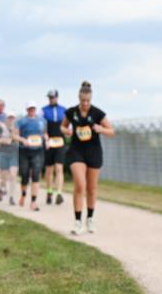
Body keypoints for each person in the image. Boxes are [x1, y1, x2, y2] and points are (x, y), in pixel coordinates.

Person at [61, 81, 115, 234]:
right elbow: (62, 126)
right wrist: (67, 131)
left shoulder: (97, 113)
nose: (85, 103)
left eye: (88, 101)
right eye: (83, 101)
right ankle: (77, 222)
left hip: (93, 152)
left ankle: (90, 219)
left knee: (91, 188)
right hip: (76, 151)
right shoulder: (71, 112)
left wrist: (101, 129)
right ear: (79, 98)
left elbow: (112, 131)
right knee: (80, 185)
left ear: (91, 99)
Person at [15, 101, 47, 211]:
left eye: (33, 108)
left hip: (38, 151)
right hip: (24, 151)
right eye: (30, 108)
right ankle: (23, 195)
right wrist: (23, 140)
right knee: (24, 174)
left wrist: (46, 140)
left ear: (36, 109)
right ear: (27, 109)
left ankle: (33, 201)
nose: (32, 110)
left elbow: (44, 134)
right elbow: (15, 135)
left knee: (36, 174)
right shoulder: (21, 121)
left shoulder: (42, 121)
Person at [42, 89, 67, 205]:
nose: (52, 99)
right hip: (49, 142)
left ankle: (59, 193)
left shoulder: (64, 110)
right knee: (49, 170)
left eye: (53, 97)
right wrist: (45, 137)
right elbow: (42, 126)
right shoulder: (43, 111)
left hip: (60, 142)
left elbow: (68, 126)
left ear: (57, 97)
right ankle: (49, 191)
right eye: (50, 98)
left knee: (59, 168)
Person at [0, 111, 19, 205]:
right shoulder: (1, 128)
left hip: (14, 154)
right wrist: (3, 141)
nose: (11, 119)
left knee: (13, 175)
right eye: (9, 118)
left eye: (13, 118)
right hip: (3, 153)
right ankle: (1, 189)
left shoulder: (17, 128)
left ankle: (11, 197)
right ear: (6, 119)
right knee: (4, 176)